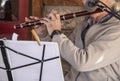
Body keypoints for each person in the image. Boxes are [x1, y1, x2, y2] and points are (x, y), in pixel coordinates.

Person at [26, 0, 120, 81]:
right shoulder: (83, 25)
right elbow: (63, 52)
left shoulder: (117, 29)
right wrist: (45, 33)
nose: (90, 2)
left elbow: (83, 62)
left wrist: (56, 33)